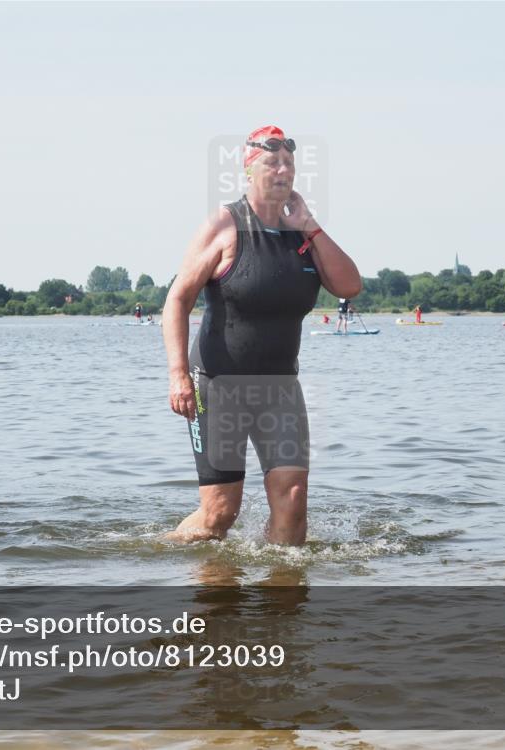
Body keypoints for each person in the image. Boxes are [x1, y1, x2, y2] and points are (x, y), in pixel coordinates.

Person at [163, 125, 362, 545]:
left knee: (293, 499)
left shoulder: (301, 235)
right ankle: (168, 555)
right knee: (219, 513)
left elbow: (349, 287)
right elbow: (177, 301)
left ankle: (282, 602)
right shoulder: (225, 224)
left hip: (280, 387)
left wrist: (309, 224)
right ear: (249, 170)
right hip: (219, 385)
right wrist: (178, 374)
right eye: (273, 162)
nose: (283, 170)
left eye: (289, 163)